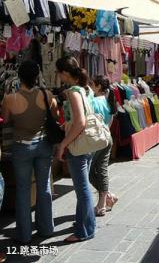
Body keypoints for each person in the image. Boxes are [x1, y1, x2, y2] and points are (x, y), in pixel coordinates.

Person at [1, 60, 56, 244]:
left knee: (23, 190)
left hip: (21, 146)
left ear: (19, 77)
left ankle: (24, 234)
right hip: (43, 144)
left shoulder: (10, 98)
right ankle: (46, 229)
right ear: (37, 75)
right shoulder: (47, 94)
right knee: (44, 187)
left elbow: (6, 118)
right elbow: (54, 114)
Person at [55, 56, 96, 243]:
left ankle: (85, 230)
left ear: (64, 73)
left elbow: (80, 121)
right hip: (87, 144)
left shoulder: (73, 92)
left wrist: (64, 143)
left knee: (82, 189)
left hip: (77, 145)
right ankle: (84, 225)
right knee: (83, 187)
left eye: (58, 72)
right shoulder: (85, 89)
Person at [89, 76, 119, 217]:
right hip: (107, 138)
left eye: (92, 84)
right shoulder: (108, 101)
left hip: (96, 140)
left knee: (91, 172)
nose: (90, 86)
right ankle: (107, 198)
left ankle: (103, 202)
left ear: (98, 86)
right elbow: (111, 120)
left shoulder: (93, 102)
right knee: (101, 170)